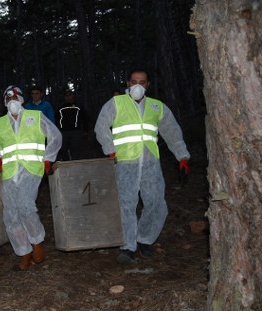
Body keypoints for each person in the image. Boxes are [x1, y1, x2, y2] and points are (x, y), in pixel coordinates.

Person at [94, 69, 190, 264]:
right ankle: (128, 246)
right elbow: (101, 126)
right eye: (134, 81)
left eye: (142, 81)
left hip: (150, 163)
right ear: (128, 84)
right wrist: (110, 149)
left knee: (156, 203)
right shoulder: (116, 103)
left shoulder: (157, 107)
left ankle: (145, 240)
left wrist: (182, 156)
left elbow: (172, 131)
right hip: (124, 162)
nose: (138, 85)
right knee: (126, 204)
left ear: (147, 85)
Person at [0, 85, 62, 270]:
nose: (12, 101)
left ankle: (37, 242)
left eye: (15, 98)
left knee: (25, 205)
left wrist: (48, 158)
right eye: (8, 99)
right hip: (9, 172)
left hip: (31, 169)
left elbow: (55, 136)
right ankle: (24, 252)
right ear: (4, 102)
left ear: (22, 100)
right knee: (10, 213)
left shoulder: (36, 117)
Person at [58, 89, 88, 161]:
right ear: (64, 97)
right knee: (63, 150)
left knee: (75, 150)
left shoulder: (79, 107)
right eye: (66, 96)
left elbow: (85, 119)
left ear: (73, 96)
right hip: (63, 132)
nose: (68, 97)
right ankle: (66, 166)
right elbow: (56, 119)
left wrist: (85, 131)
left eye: (70, 95)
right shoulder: (60, 108)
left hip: (76, 132)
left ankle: (75, 167)